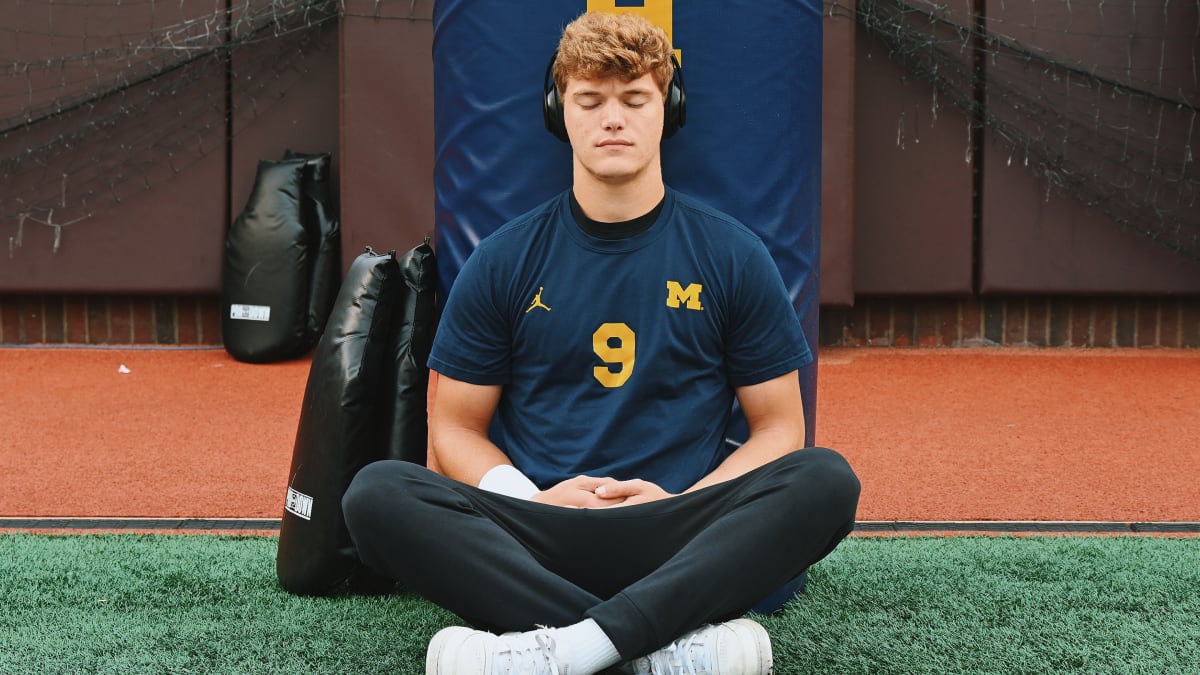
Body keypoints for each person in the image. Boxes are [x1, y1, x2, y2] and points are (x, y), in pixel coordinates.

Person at [342, 11, 860, 675]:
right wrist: (533, 498)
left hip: (680, 526)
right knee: (377, 494)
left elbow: (782, 429)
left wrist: (679, 501)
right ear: (560, 111)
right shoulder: (504, 260)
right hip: (539, 529)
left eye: (635, 98)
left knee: (825, 478)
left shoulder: (732, 255)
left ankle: (561, 650)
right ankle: (664, 649)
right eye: (590, 99)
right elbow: (452, 430)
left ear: (667, 108)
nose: (613, 118)